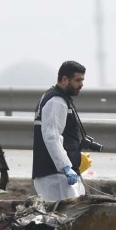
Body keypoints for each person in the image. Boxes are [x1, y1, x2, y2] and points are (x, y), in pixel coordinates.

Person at [32, 60, 87, 201]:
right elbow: (52, 136)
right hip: (56, 177)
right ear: (64, 79)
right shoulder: (56, 101)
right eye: (78, 80)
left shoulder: (56, 98)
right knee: (65, 218)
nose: (81, 85)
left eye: (82, 80)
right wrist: (66, 167)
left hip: (57, 175)